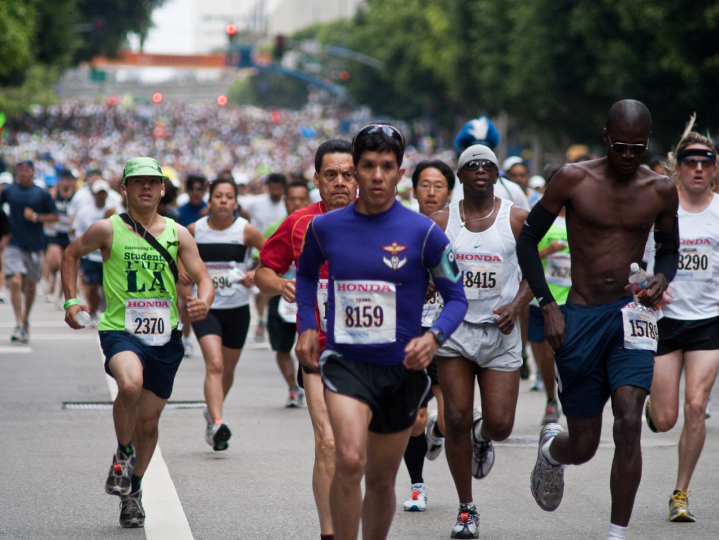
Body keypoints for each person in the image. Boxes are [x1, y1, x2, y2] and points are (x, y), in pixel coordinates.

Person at [516, 100, 679, 540]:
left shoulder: (660, 189)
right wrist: (549, 305)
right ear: (606, 137)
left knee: (628, 418)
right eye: (621, 146)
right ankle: (553, 450)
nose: (629, 155)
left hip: (631, 317)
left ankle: (616, 534)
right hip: (580, 317)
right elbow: (528, 240)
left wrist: (661, 277)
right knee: (584, 446)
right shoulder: (573, 180)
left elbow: (668, 248)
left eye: (638, 148)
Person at [295, 124, 467, 540]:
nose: (376, 176)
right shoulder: (326, 228)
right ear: (354, 170)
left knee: (380, 481)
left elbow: (457, 297)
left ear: (399, 172)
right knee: (350, 459)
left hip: (400, 372)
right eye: (367, 166)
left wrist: (433, 338)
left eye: (386, 167)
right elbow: (303, 276)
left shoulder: (424, 233)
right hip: (345, 364)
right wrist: (306, 326)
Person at [61, 157, 213, 529]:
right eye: (137, 182)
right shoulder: (107, 229)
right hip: (120, 330)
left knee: (148, 422)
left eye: (153, 182)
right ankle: (123, 451)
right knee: (129, 383)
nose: (146, 188)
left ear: (162, 189)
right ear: (124, 189)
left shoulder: (178, 234)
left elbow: (203, 276)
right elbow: (70, 255)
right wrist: (70, 300)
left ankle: (133, 491)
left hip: (165, 338)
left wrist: (204, 300)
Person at [254, 139, 357, 540]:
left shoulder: (377, 220)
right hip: (316, 348)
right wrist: (281, 284)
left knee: (356, 450)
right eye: (330, 175)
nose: (340, 183)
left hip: (368, 350)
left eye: (348, 175)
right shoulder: (299, 222)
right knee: (328, 440)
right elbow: (264, 270)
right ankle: (329, 533)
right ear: (316, 179)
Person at [430, 144, 533, 539]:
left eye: (486, 166)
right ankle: (466, 509)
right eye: (471, 165)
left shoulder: (516, 220)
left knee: (501, 425)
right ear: (460, 176)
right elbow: (428, 266)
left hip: (500, 332)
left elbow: (533, 274)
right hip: (455, 331)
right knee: (454, 417)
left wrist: (516, 304)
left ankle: (482, 437)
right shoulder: (441, 222)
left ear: (495, 176)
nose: (478, 170)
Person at [644, 118, 719, 522]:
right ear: (678, 167)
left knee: (696, 406)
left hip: (708, 322)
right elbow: (634, 263)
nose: (698, 168)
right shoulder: (662, 207)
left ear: (715, 168)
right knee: (666, 416)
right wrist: (647, 284)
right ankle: (653, 409)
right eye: (690, 161)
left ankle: (681, 493)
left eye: (706, 161)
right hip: (665, 319)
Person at [187, 177, 264, 451]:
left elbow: (270, 256)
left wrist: (256, 271)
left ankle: (212, 412)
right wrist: (182, 270)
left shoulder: (246, 231)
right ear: (210, 200)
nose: (223, 201)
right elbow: (173, 255)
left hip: (237, 310)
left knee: (227, 371)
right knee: (215, 365)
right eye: (218, 196)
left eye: (228, 196)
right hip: (205, 309)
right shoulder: (195, 230)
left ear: (235, 202)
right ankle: (218, 422)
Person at [400, 159, 454, 513]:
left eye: (439, 185)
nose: (431, 191)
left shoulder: (460, 229)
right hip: (410, 331)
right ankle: (417, 485)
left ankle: (437, 436)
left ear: (449, 191)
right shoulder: (401, 227)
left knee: (450, 420)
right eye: (425, 185)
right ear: (414, 189)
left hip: (446, 329)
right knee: (416, 416)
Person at [263, 180, 312, 408]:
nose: (297, 203)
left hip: (309, 302)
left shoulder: (317, 224)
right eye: (292, 199)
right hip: (282, 298)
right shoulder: (275, 228)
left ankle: (306, 383)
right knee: (282, 347)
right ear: (285, 201)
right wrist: (281, 285)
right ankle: (293, 387)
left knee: (304, 344)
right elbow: (264, 266)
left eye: (301, 199)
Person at [0, 160, 58, 343]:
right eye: (20, 171)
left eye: (26, 170)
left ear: (32, 172)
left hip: (35, 245)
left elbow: (55, 216)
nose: (23, 174)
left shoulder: (41, 193)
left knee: (31, 284)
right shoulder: (9, 191)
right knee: (15, 280)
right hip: (14, 243)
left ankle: (25, 319)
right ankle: (18, 322)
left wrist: (36, 217)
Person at [527, 167, 567, 425]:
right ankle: (551, 398)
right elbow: (525, 254)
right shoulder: (539, 218)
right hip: (538, 299)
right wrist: (548, 250)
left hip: (567, 299)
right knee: (541, 355)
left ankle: (560, 402)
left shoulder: (578, 217)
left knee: (556, 355)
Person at [244, 173, 288, 341]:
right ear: (267, 187)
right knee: (261, 289)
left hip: (282, 253)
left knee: (275, 290)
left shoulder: (287, 204)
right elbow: (244, 214)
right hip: (261, 251)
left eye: (279, 188)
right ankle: (262, 319)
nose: (276, 191)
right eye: (273, 188)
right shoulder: (256, 204)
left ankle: (270, 319)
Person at [73, 180, 117, 326]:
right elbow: (78, 233)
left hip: (108, 257)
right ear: (94, 194)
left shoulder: (113, 210)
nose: (101, 196)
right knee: (91, 286)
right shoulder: (85, 211)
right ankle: (92, 313)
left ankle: (104, 308)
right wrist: (79, 255)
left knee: (106, 287)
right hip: (90, 256)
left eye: (104, 193)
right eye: (99, 193)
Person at [42, 169, 76, 303]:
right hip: (55, 233)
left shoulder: (76, 196)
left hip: (69, 234)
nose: (66, 182)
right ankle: (47, 282)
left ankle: (61, 294)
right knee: (55, 262)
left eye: (69, 180)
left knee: (66, 265)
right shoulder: (53, 195)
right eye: (64, 180)